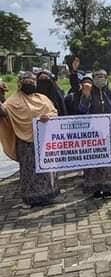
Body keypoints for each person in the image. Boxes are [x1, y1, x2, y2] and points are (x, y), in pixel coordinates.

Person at [0, 72, 60, 208]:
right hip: (25, 143)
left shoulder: (43, 98)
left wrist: (48, 116)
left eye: (32, 82)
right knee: (28, 171)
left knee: (46, 169)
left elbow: (54, 112)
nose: (30, 84)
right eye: (27, 82)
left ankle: (48, 195)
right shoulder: (13, 101)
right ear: (20, 84)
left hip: (44, 140)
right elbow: (4, 113)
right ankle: (30, 199)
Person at [74, 68, 111, 199]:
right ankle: (95, 188)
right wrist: (86, 96)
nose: (100, 78)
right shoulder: (87, 93)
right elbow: (82, 110)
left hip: (109, 133)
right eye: (97, 76)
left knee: (109, 158)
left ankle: (108, 188)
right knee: (94, 159)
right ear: (93, 79)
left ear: (107, 78)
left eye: (102, 76)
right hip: (93, 134)